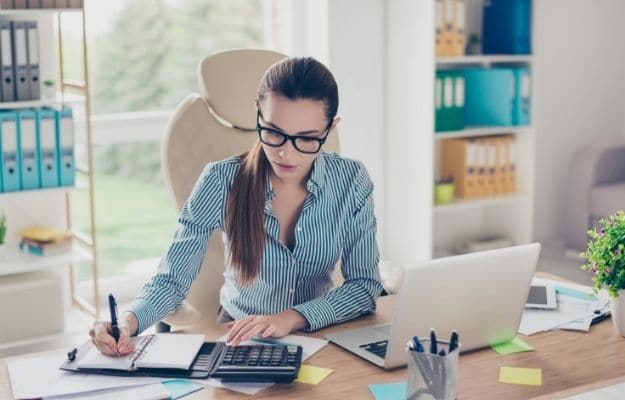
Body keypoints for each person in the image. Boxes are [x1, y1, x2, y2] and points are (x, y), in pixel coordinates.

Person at [89, 56, 383, 356]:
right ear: (257, 113)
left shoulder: (351, 180)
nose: (285, 152)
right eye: (273, 132)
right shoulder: (221, 180)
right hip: (239, 337)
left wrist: (289, 319)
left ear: (331, 129)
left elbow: (364, 286)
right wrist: (127, 321)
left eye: (306, 139)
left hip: (318, 334)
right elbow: (171, 279)